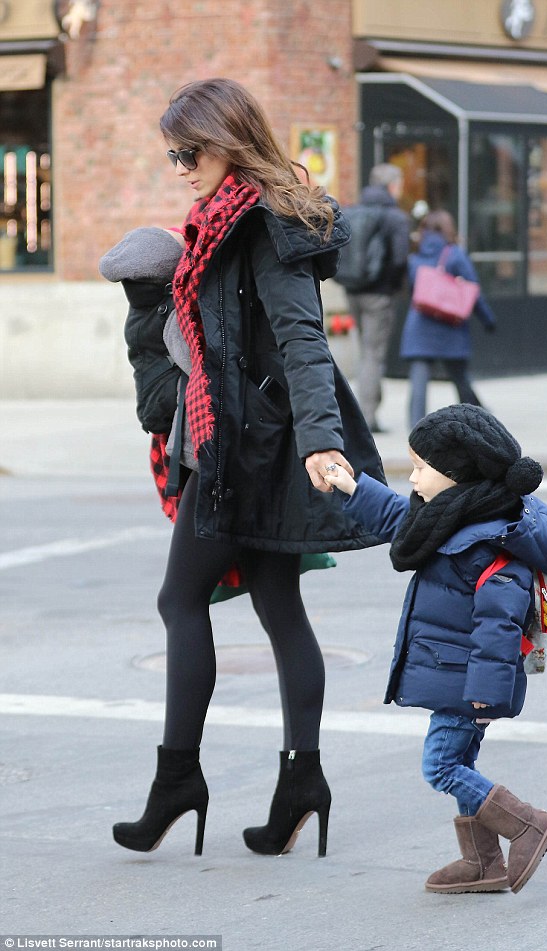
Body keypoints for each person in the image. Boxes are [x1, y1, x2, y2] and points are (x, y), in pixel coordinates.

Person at [106, 77, 385, 859]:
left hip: (247, 453)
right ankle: (300, 781)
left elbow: (305, 340)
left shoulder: (267, 224)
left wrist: (322, 441)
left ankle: (178, 782)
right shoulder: (218, 221)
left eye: (189, 150)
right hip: (235, 444)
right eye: (173, 153)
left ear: (230, 139)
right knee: (278, 606)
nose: (180, 165)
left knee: (179, 598)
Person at [324, 404, 547, 894]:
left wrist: (484, 694)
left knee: (441, 766)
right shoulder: (452, 516)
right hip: (456, 674)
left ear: (456, 475)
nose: (413, 477)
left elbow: (498, 625)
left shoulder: (487, 538)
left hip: (467, 682)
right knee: (461, 763)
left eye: (421, 468)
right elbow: (402, 519)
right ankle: (483, 862)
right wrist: (352, 486)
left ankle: (527, 824)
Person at [401, 210, 496, 428]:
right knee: (460, 377)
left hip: (420, 325)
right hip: (450, 326)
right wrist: (487, 319)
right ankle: (480, 420)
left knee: (419, 381)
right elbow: (473, 292)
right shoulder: (454, 254)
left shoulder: (415, 259)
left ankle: (416, 428)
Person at [344, 163, 411, 433]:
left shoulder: (353, 211)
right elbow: (399, 258)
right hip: (380, 294)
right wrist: (394, 286)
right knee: (373, 354)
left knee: (366, 351)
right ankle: (366, 417)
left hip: (353, 290)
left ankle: (366, 410)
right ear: (393, 186)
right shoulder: (395, 217)